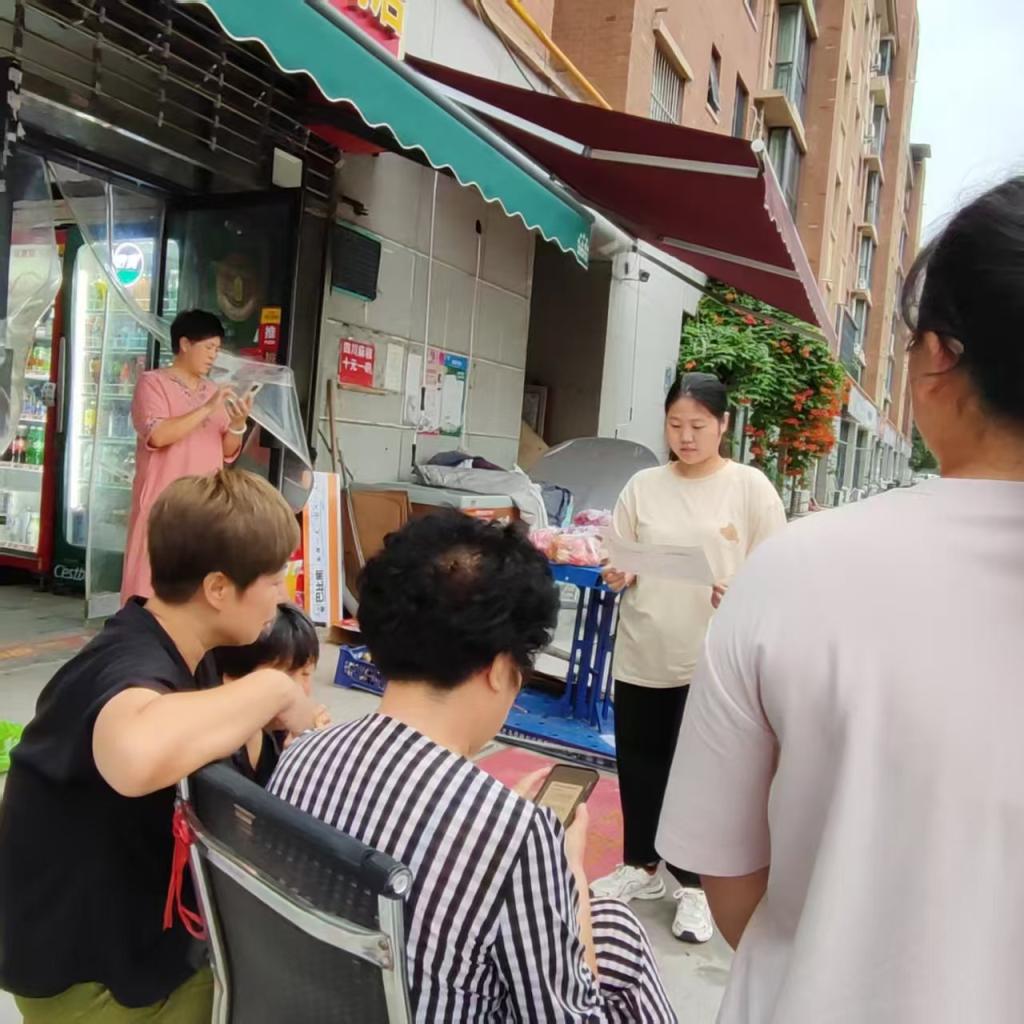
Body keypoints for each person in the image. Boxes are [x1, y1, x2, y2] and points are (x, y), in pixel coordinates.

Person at [656, 177, 1024, 1022]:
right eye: (677, 422)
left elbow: (730, 879)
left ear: (938, 357)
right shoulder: (672, 499)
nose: (686, 434)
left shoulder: (795, 568)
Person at [269, 513, 676, 1023]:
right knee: (607, 929)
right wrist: (568, 868)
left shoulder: (301, 756)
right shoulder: (515, 834)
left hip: (323, 998)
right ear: (501, 669)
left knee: (613, 926)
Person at [0, 470, 318, 1023]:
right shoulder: (131, 663)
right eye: (274, 580)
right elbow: (134, 755)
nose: (283, 596)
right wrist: (274, 689)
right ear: (218, 589)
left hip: (114, 938)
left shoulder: (180, 648)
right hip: (89, 979)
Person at [591, 372, 786, 945]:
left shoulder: (749, 488)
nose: (686, 436)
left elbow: (778, 570)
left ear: (723, 424)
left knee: (702, 775)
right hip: (644, 645)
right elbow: (616, 555)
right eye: (675, 425)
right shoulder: (643, 486)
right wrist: (618, 572)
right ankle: (641, 865)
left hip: (713, 659)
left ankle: (696, 886)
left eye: (698, 425)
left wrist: (744, 592)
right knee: (639, 761)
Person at [121, 309, 254, 605]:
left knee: (196, 582)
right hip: (163, 501)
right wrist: (206, 408)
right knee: (150, 583)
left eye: (217, 349)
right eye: (208, 347)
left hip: (206, 503)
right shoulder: (152, 383)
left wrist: (238, 424)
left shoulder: (214, 390)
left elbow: (228, 450)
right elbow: (158, 435)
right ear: (184, 344)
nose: (213, 356)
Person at [215, 602, 332, 785]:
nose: (301, 690)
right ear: (233, 678)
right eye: (286, 677)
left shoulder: (282, 732)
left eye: (307, 674)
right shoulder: (217, 752)